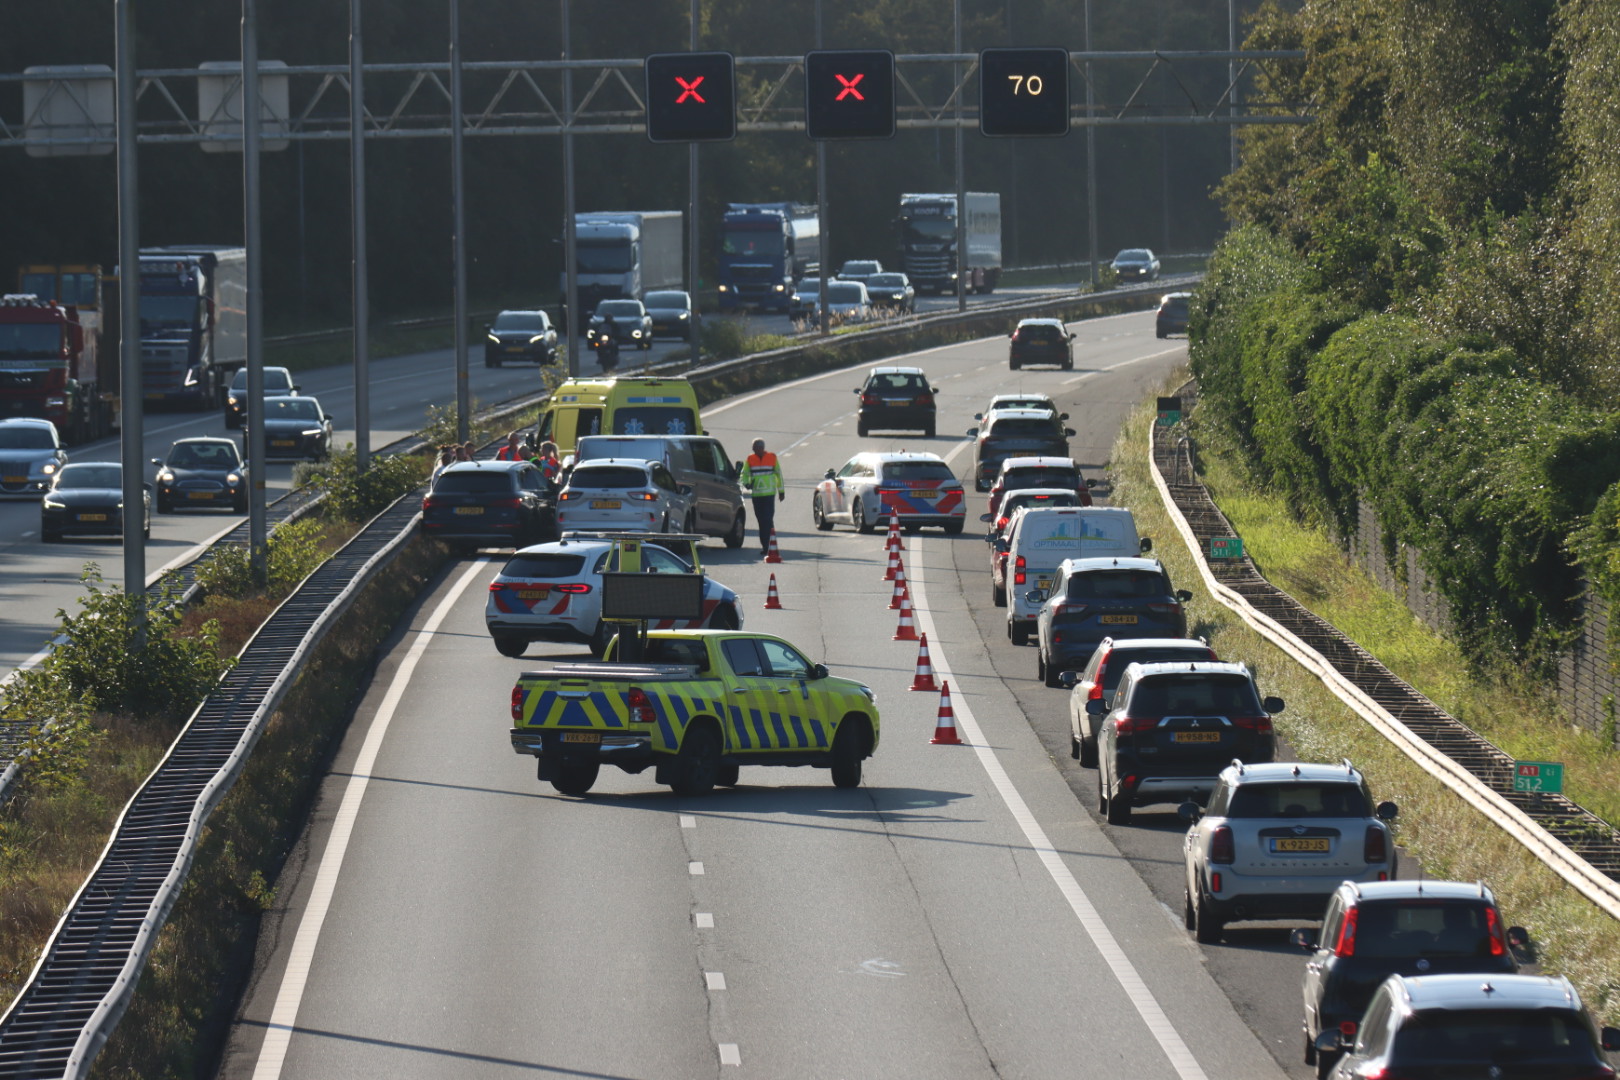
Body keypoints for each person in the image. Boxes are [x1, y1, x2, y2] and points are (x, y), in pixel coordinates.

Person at [739, 437, 785, 555]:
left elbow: (778, 475)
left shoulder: (772, 457)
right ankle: (765, 546)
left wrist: (781, 491)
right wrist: (747, 484)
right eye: (753, 448)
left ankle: (770, 546)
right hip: (757, 495)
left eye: (756, 448)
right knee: (761, 521)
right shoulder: (750, 459)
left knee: (768, 520)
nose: (755, 450)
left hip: (769, 495)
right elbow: (744, 474)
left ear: (762, 448)